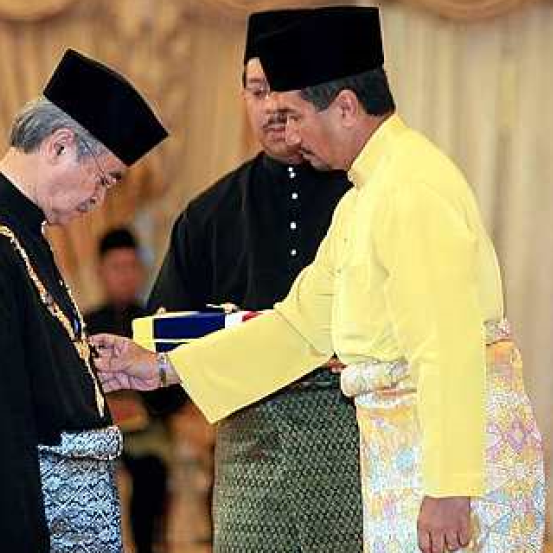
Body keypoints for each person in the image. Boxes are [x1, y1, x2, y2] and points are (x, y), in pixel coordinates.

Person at [91, 7, 545, 553]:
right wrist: (162, 366)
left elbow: (445, 342)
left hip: (450, 466)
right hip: (407, 454)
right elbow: (299, 328)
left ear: (346, 107)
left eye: (295, 115)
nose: (289, 133)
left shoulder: (409, 188)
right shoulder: (363, 198)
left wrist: (449, 487)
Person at [0, 49, 167, 553]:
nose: (100, 199)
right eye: (104, 178)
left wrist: (78, 367)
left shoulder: (17, 231)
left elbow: (21, 373)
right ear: (60, 145)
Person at [145, 9, 360, 552]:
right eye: (258, 90)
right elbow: (165, 330)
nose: (272, 107)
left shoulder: (363, 199)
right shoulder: (210, 213)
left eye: (285, 90)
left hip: (355, 440)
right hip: (249, 447)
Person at [84, 228, 171, 553]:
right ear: (101, 271)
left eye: (132, 266)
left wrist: (143, 406)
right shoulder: (84, 323)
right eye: (117, 267)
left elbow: (172, 388)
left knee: (152, 471)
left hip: (146, 431)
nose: (125, 276)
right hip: (97, 428)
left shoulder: (151, 324)